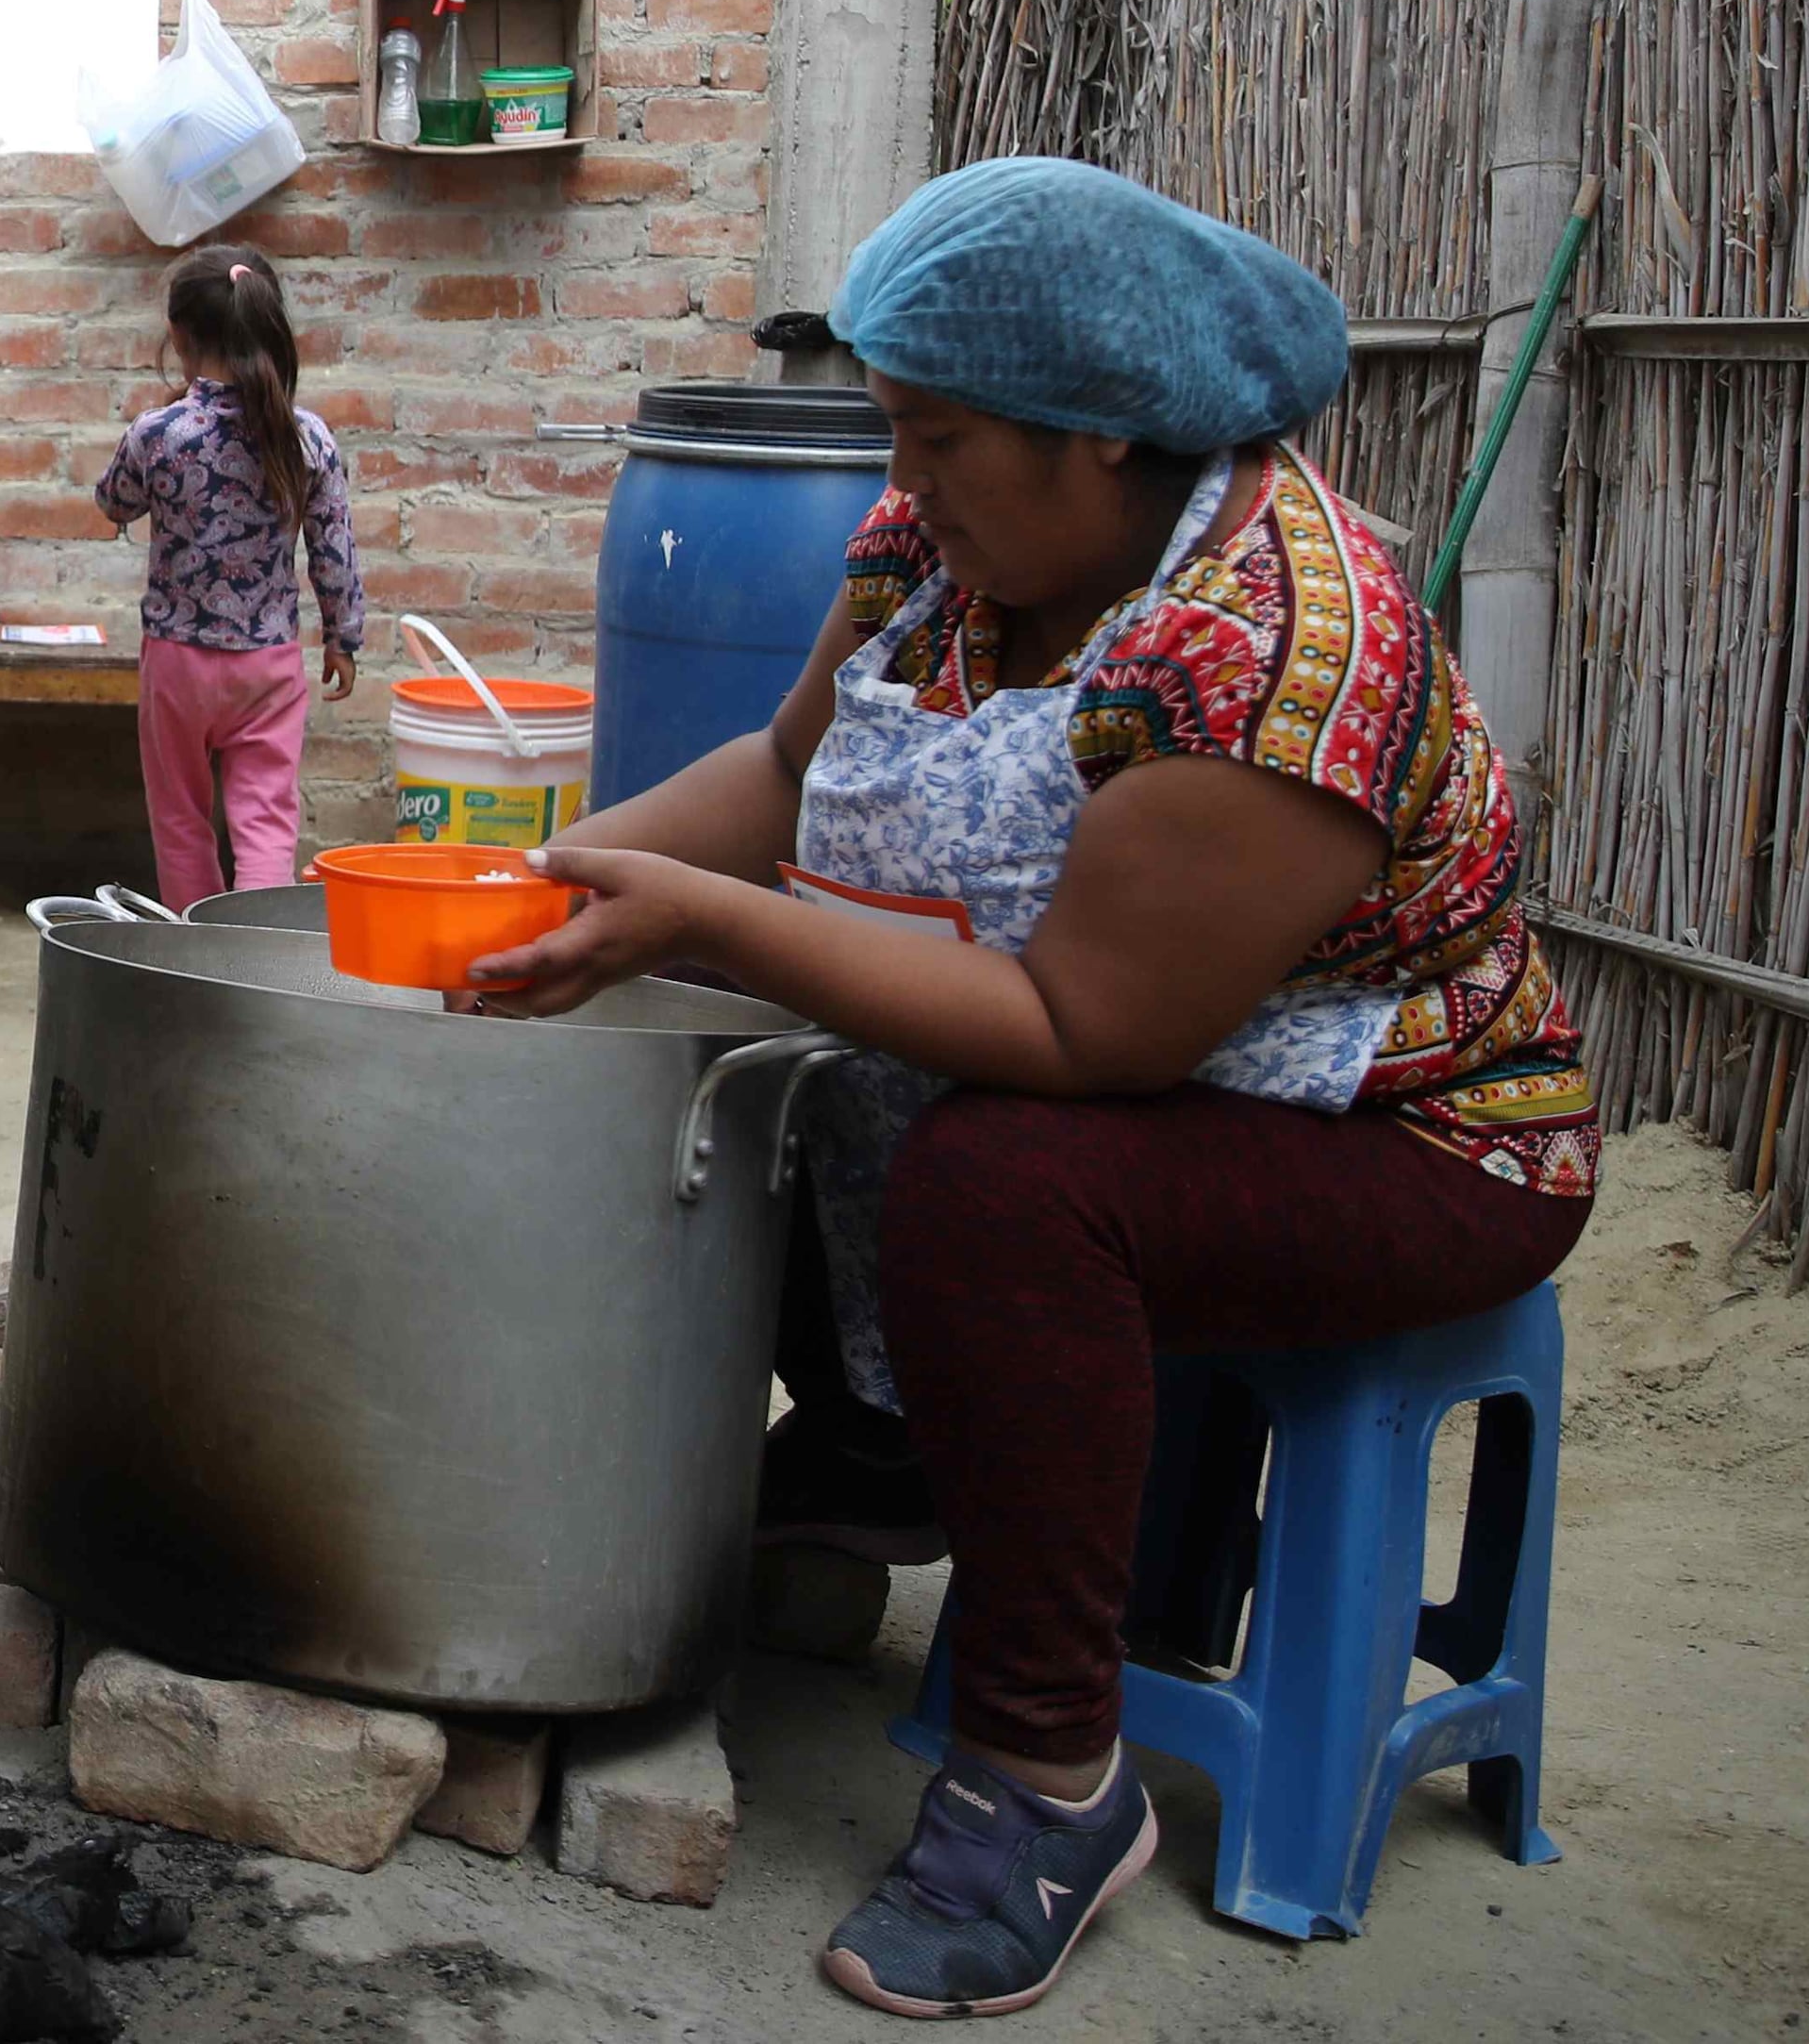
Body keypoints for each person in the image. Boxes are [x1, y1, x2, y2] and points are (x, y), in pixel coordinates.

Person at [456, 158, 1598, 2021]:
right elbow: (776, 777)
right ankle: (886, 1448)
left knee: (997, 1180)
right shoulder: (939, 549)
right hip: (1161, 1060)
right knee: (805, 1080)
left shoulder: (1277, 650)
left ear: (1100, 438)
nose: (897, 480)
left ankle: (1049, 1777)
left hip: (1414, 1133)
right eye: (892, 430)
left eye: (937, 436)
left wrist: (721, 932)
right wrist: (540, 891)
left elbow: (1086, 1040)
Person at [95, 244, 362, 907]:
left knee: (181, 820)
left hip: (177, 662)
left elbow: (113, 500)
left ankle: (196, 951)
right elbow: (335, 548)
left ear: (179, 336)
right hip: (268, 666)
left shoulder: (160, 433)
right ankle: (253, 946)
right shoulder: (307, 438)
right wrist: (342, 637)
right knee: (266, 817)